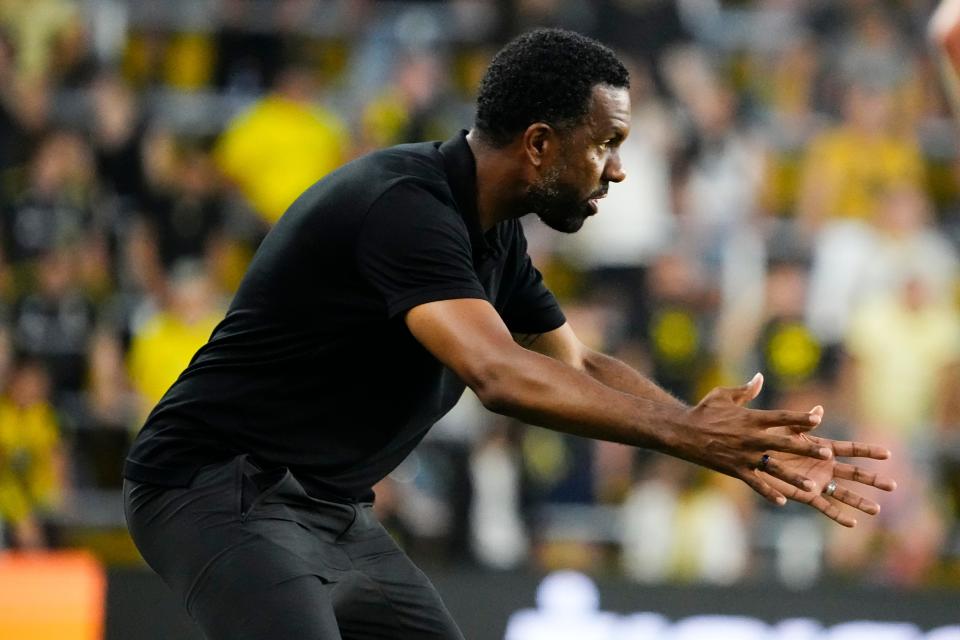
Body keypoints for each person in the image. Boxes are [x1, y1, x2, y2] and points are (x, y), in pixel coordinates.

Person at [123, 29, 896, 640]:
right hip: (215, 489)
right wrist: (688, 436)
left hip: (329, 511)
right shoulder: (405, 208)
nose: (617, 171)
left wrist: (698, 426)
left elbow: (574, 361)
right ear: (538, 145)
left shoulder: (492, 232)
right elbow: (497, 375)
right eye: (606, 144)